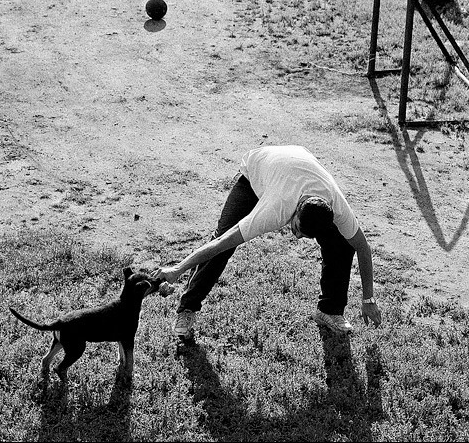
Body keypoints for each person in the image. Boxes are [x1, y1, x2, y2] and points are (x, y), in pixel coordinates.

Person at [152, 144, 382, 337]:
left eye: (304, 236)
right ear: (295, 211)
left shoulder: (336, 205)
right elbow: (221, 242)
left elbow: (362, 247)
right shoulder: (275, 208)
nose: (297, 236)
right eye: (297, 229)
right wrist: (177, 269)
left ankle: (329, 311)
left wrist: (368, 299)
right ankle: (188, 308)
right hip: (256, 173)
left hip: (296, 165)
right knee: (225, 241)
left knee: (341, 244)